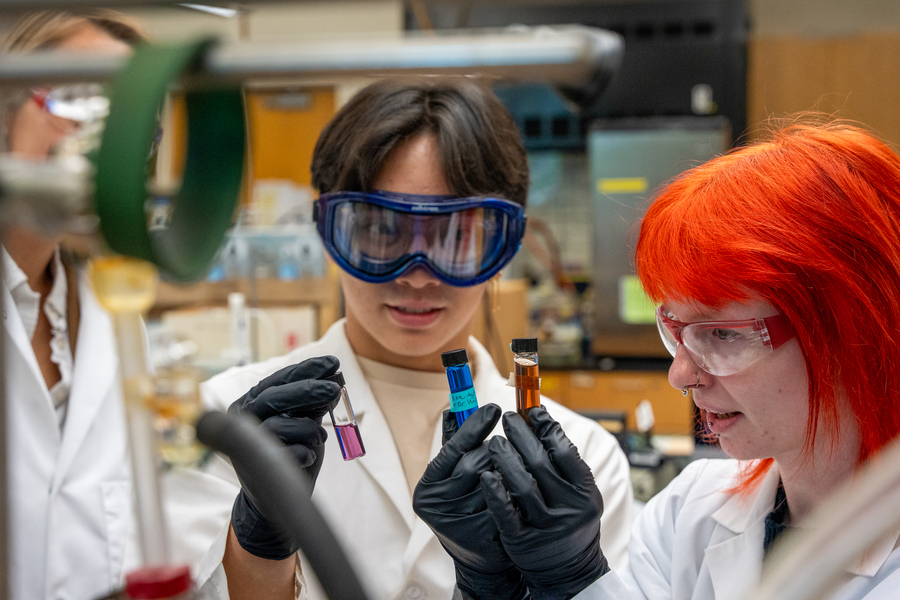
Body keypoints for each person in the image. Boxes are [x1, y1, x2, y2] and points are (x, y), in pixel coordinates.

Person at [418, 118, 900, 600]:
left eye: (722, 334)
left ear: (850, 331)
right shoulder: (689, 510)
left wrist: (574, 580)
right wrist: (491, 586)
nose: (680, 375)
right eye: (674, 330)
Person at [192, 77, 634, 600]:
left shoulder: (580, 460)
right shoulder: (233, 422)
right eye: (382, 231)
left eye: (453, 236)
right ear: (331, 232)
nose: (418, 275)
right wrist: (258, 546)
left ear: (500, 247)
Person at [2, 12, 337, 600]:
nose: (104, 142)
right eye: (78, 98)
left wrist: (256, 520)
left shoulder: (108, 318)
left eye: (128, 122)